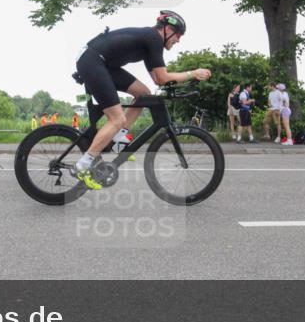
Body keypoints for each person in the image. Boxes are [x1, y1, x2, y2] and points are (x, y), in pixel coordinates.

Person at [71, 11, 211, 189]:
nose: (178, 40)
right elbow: (162, 78)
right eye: (178, 35)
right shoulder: (153, 38)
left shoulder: (149, 42)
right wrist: (193, 73)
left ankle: (119, 140)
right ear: (168, 30)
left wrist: (176, 81)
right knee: (117, 119)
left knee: (143, 94)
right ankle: (82, 165)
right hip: (93, 61)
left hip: (101, 63)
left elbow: (157, 79)